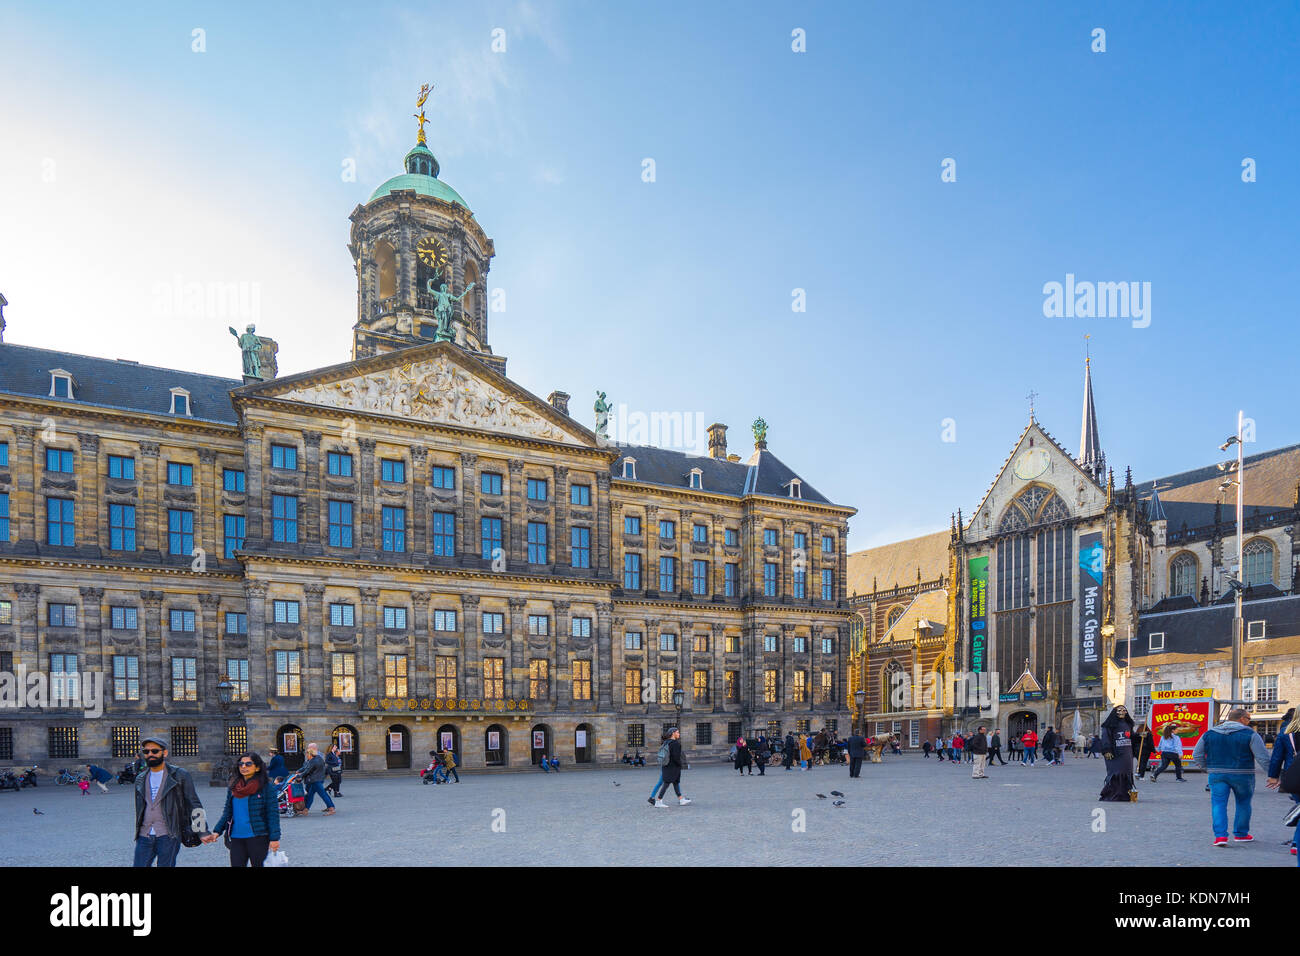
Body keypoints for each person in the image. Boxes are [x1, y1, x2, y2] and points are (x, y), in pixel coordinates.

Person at [1192, 707, 1271, 846]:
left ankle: (1220, 837)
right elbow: (1263, 758)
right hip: (1243, 774)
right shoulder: (1250, 734)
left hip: (1217, 775)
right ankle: (1241, 834)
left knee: (1218, 804)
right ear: (1241, 719)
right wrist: (1273, 774)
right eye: (1248, 719)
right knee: (1243, 803)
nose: (1249, 722)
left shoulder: (1209, 733)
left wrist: (1207, 768)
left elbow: (1197, 754)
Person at [132, 734, 202, 868]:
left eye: (154, 751)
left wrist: (202, 831)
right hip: (144, 835)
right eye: (146, 751)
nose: (150, 754)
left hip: (169, 834)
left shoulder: (180, 775)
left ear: (165, 752)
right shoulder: (140, 779)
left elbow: (194, 803)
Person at [202, 752, 282, 867]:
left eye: (248, 764)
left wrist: (274, 838)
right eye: (241, 764)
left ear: (257, 767)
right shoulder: (233, 787)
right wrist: (217, 831)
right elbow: (228, 812)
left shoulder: (266, 787)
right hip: (236, 837)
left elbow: (272, 814)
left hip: (258, 837)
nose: (244, 767)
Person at [1265, 709, 1299, 856]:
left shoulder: (1286, 732)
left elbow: (1277, 756)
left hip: (1295, 774)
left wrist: (1273, 775)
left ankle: (1296, 843)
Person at [1098, 705, 1137, 802]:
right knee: (1116, 772)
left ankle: (1126, 793)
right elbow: (1105, 738)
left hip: (1127, 752)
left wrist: (1141, 736)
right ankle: (1114, 794)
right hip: (1115, 753)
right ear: (1115, 712)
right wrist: (1107, 750)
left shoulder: (1128, 724)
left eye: (1124, 710)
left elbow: (1132, 737)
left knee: (1126, 771)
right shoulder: (1108, 725)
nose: (1122, 712)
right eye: (1119, 710)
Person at [654, 728, 691, 807]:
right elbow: (676, 757)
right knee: (666, 784)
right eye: (677, 732)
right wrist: (681, 764)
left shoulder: (666, 742)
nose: (679, 734)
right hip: (673, 767)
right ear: (673, 733)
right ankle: (658, 801)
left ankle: (681, 799)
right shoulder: (675, 744)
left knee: (676, 782)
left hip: (666, 766)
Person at [298, 743, 336, 816]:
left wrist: (300, 775)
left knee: (322, 794)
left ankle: (331, 808)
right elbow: (307, 767)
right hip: (315, 779)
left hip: (315, 780)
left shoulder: (314, 760)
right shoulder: (317, 758)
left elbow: (308, 770)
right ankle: (305, 810)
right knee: (310, 795)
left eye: (308, 749)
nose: (306, 754)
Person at [648, 730, 673, 805]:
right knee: (675, 781)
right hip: (668, 765)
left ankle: (651, 797)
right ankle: (681, 797)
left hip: (664, 765)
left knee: (660, 783)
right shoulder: (668, 744)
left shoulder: (664, 744)